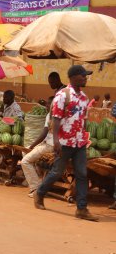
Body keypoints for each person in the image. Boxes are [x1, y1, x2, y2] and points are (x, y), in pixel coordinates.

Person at [34, 65, 98, 222]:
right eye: (83, 75)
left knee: (82, 174)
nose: (85, 78)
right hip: (64, 142)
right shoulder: (63, 95)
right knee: (57, 172)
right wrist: (56, 140)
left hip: (80, 142)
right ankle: (40, 193)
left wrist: (85, 138)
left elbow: (83, 120)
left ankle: (82, 209)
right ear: (74, 77)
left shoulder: (84, 98)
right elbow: (56, 118)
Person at [21, 97, 54, 198]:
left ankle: (35, 188)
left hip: (50, 146)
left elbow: (43, 134)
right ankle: (37, 178)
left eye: (49, 104)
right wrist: (31, 147)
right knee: (24, 151)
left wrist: (32, 146)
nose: (47, 106)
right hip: (46, 143)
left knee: (25, 161)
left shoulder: (53, 116)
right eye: (47, 104)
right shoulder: (49, 115)